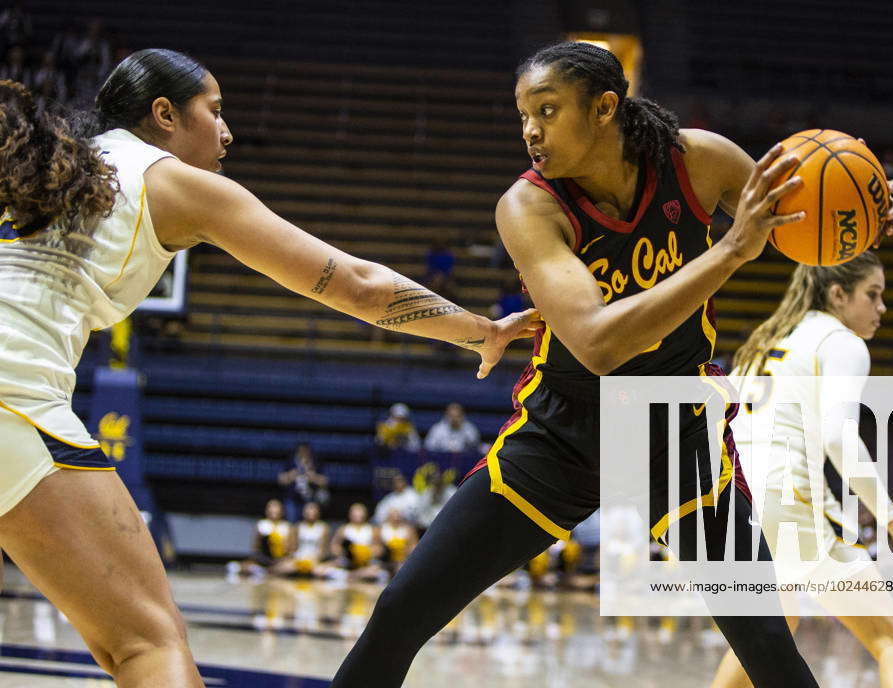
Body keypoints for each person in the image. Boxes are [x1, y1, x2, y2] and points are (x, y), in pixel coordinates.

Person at [330, 42, 893, 687]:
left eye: (547, 110)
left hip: (677, 427)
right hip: (565, 431)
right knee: (403, 610)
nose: (530, 131)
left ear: (605, 107)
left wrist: (854, 219)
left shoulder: (699, 160)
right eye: (523, 114)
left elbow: (804, 224)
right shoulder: (529, 207)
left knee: (764, 638)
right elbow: (598, 345)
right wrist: (730, 253)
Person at [0, 48, 536, 687]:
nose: (227, 131)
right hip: (14, 394)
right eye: (215, 111)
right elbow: (360, 286)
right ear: (165, 114)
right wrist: (483, 332)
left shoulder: (52, 173)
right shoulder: (171, 181)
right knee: (148, 646)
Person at [712, 252, 893, 688]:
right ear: (838, 294)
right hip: (790, 498)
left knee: (770, 632)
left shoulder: (766, 338)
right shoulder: (841, 341)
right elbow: (839, 438)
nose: (882, 307)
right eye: (872, 294)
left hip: (738, 498)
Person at [227, 498, 293, 578]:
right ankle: (261, 569)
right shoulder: (262, 524)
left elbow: (290, 548)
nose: (274, 511)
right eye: (271, 508)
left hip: (280, 560)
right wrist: (260, 557)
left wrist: (283, 557)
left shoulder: (286, 526)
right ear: (267, 510)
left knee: (289, 567)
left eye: (276, 508)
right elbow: (256, 547)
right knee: (245, 565)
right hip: (264, 559)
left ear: (282, 511)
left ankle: (265, 571)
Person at [320, 503, 385, 583]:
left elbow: (379, 548)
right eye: (355, 513)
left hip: (366, 562)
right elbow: (334, 546)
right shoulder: (344, 529)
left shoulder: (372, 530)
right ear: (350, 515)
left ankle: (355, 575)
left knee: (377, 572)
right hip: (348, 562)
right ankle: (353, 574)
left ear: (365, 514)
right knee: (322, 570)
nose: (357, 516)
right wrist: (343, 552)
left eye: (360, 513)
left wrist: (367, 552)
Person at [271, 501, 329, 578]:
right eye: (308, 510)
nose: (311, 512)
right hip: (298, 558)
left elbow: (323, 550)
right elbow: (292, 548)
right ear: (303, 512)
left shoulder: (323, 527)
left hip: (314, 560)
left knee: (320, 571)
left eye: (313, 509)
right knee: (280, 568)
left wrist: (315, 560)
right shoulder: (297, 527)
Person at [277, 442, 329, 522]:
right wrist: (292, 474)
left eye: (305, 452)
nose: (303, 454)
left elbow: (325, 481)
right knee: (292, 520)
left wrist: (312, 476)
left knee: (310, 520)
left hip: (310, 498)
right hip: (292, 498)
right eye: (300, 452)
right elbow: (281, 480)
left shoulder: (316, 463)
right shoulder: (290, 463)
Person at [378, 508, 417, 576]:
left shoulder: (408, 529)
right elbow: (377, 546)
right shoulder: (381, 529)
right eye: (393, 516)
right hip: (387, 559)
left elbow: (414, 545)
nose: (396, 518)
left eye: (398, 516)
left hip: (403, 559)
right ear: (389, 516)